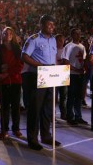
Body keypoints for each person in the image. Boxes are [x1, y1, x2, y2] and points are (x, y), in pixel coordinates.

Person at [21, 14, 61, 151]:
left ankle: (46, 136)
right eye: (49, 24)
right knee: (35, 109)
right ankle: (32, 139)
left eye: (53, 25)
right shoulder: (34, 39)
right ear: (41, 25)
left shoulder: (54, 40)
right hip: (37, 75)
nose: (51, 27)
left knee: (48, 109)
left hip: (50, 76)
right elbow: (24, 56)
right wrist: (39, 66)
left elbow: (52, 58)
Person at [0, 27, 24, 139]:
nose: (7, 34)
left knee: (15, 107)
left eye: (9, 33)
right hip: (2, 82)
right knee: (4, 107)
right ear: (2, 35)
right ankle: (4, 129)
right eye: (5, 33)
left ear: (12, 35)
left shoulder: (17, 49)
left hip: (15, 81)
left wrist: (7, 71)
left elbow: (20, 66)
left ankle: (16, 128)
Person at [62, 28, 88, 125]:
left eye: (79, 33)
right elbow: (65, 61)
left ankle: (78, 116)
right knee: (71, 96)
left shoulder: (82, 47)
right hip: (72, 74)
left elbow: (84, 60)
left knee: (79, 97)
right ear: (72, 35)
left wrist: (84, 68)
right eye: (76, 34)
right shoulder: (68, 46)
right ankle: (70, 116)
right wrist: (76, 69)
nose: (78, 35)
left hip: (80, 75)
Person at [55, 34, 67, 120]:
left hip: (63, 75)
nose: (60, 42)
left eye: (62, 40)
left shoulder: (65, 50)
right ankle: (53, 114)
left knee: (63, 96)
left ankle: (63, 113)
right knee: (54, 96)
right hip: (54, 75)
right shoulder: (52, 50)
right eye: (58, 40)